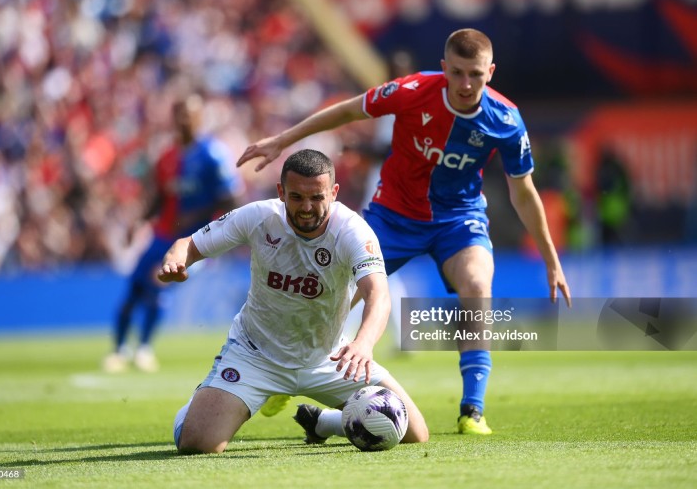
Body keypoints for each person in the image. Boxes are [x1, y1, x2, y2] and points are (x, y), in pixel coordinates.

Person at [237, 28, 572, 435]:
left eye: (477, 75)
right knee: (338, 290)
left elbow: (524, 192)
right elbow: (347, 111)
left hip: (458, 219)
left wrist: (552, 260)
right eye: (459, 73)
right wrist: (284, 140)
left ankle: (473, 410)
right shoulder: (412, 90)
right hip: (393, 214)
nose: (467, 84)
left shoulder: (506, 119)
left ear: (491, 72)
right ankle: (288, 370)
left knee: (477, 285)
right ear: (444, 68)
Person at [159, 149, 429, 453]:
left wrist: (363, 344)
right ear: (281, 192)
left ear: (334, 192)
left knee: (411, 431)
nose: (307, 207)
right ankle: (200, 407)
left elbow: (378, 294)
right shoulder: (259, 216)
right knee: (197, 445)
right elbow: (189, 245)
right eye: (297, 197)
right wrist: (176, 261)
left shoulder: (353, 232)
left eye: (317, 197)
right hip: (255, 355)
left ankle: (326, 423)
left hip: (330, 358)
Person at [103, 94, 243, 373]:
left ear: (200, 118)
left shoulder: (213, 154)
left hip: (196, 239)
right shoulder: (167, 156)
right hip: (161, 234)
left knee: (159, 282)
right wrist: (139, 221)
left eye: (188, 115)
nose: (182, 121)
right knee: (133, 289)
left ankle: (143, 348)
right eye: (178, 114)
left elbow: (232, 198)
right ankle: (119, 351)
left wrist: (201, 216)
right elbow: (160, 196)